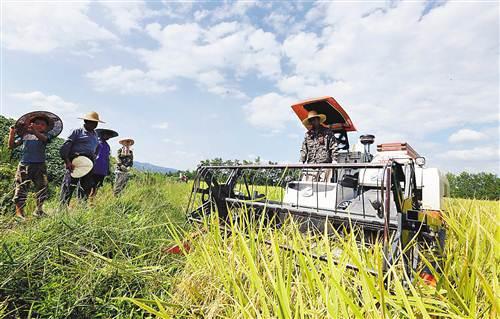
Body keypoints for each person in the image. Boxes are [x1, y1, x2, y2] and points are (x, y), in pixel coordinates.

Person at [8, 112, 62, 219]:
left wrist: (35, 131)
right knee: (21, 187)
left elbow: (44, 140)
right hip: (25, 165)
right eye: (37, 123)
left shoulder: (45, 136)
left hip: (40, 166)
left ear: (46, 128)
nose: (40, 125)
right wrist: (12, 133)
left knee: (42, 187)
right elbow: (11, 146)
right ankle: (19, 213)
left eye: (43, 124)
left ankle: (39, 210)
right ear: (31, 124)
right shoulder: (25, 136)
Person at [59, 111, 104, 205]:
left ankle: (81, 208)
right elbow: (66, 146)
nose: (94, 124)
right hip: (75, 162)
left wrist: (93, 160)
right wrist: (67, 161)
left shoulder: (95, 135)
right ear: (85, 121)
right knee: (69, 185)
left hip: (88, 164)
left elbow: (95, 149)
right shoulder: (77, 131)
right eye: (92, 122)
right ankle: (62, 209)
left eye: (96, 123)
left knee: (85, 186)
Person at [300, 110, 339, 181]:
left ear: (318, 120)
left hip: (325, 165)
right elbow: (304, 149)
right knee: (308, 186)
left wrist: (334, 160)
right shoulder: (308, 135)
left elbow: (334, 146)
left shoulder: (327, 132)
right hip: (311, 165)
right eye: (311, 120)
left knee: (324, 188)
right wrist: (301, 161)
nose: (313, 122)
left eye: (314, 119)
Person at [91, 129, 118, 195]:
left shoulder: (107, 146)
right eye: (107, 134)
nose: (108, 136)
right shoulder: (96, 142)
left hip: (102, 169)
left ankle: (91, 201)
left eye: (109, 135)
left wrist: (108, 169)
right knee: (90, 185)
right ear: (102, 134)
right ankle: (85, 200)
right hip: (94, 168)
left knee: (97, 186)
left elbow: (107, 158)